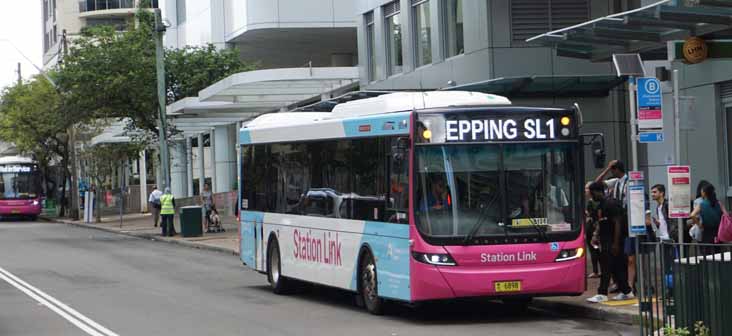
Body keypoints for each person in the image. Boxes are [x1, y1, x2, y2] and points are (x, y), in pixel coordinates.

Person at [586, 181, 634, 303]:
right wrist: (596, 236)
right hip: (606, 240)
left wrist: (615, 243)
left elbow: (618, 223)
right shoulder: (601, 205)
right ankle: (626, 291)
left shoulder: (611, 203)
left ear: (598, 191)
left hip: (613, 241)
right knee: (616, 268)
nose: (592, 197)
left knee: (606, 267)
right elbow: (600, 222)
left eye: (592, 194)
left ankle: (602, 293)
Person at [594, 160, 634, 294]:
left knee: (625, 256)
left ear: (617, 170)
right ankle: (621, 286)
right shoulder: (616, 181)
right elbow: (597, 183)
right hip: (616, 216)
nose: (611, 173)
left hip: (625, 218)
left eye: (612, 170)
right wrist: (606, 169)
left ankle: (627, 285)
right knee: (615, 258)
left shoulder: (629, 182)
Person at [585, 182, 601, 279]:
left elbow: (593, 216)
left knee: (595, 250)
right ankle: (596, 270)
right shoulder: (590, 201)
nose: (586, 191)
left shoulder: (593, 202)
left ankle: (597, 271)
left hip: (594, 228)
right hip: (591, 228)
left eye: (587, 188)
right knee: (593, 250)